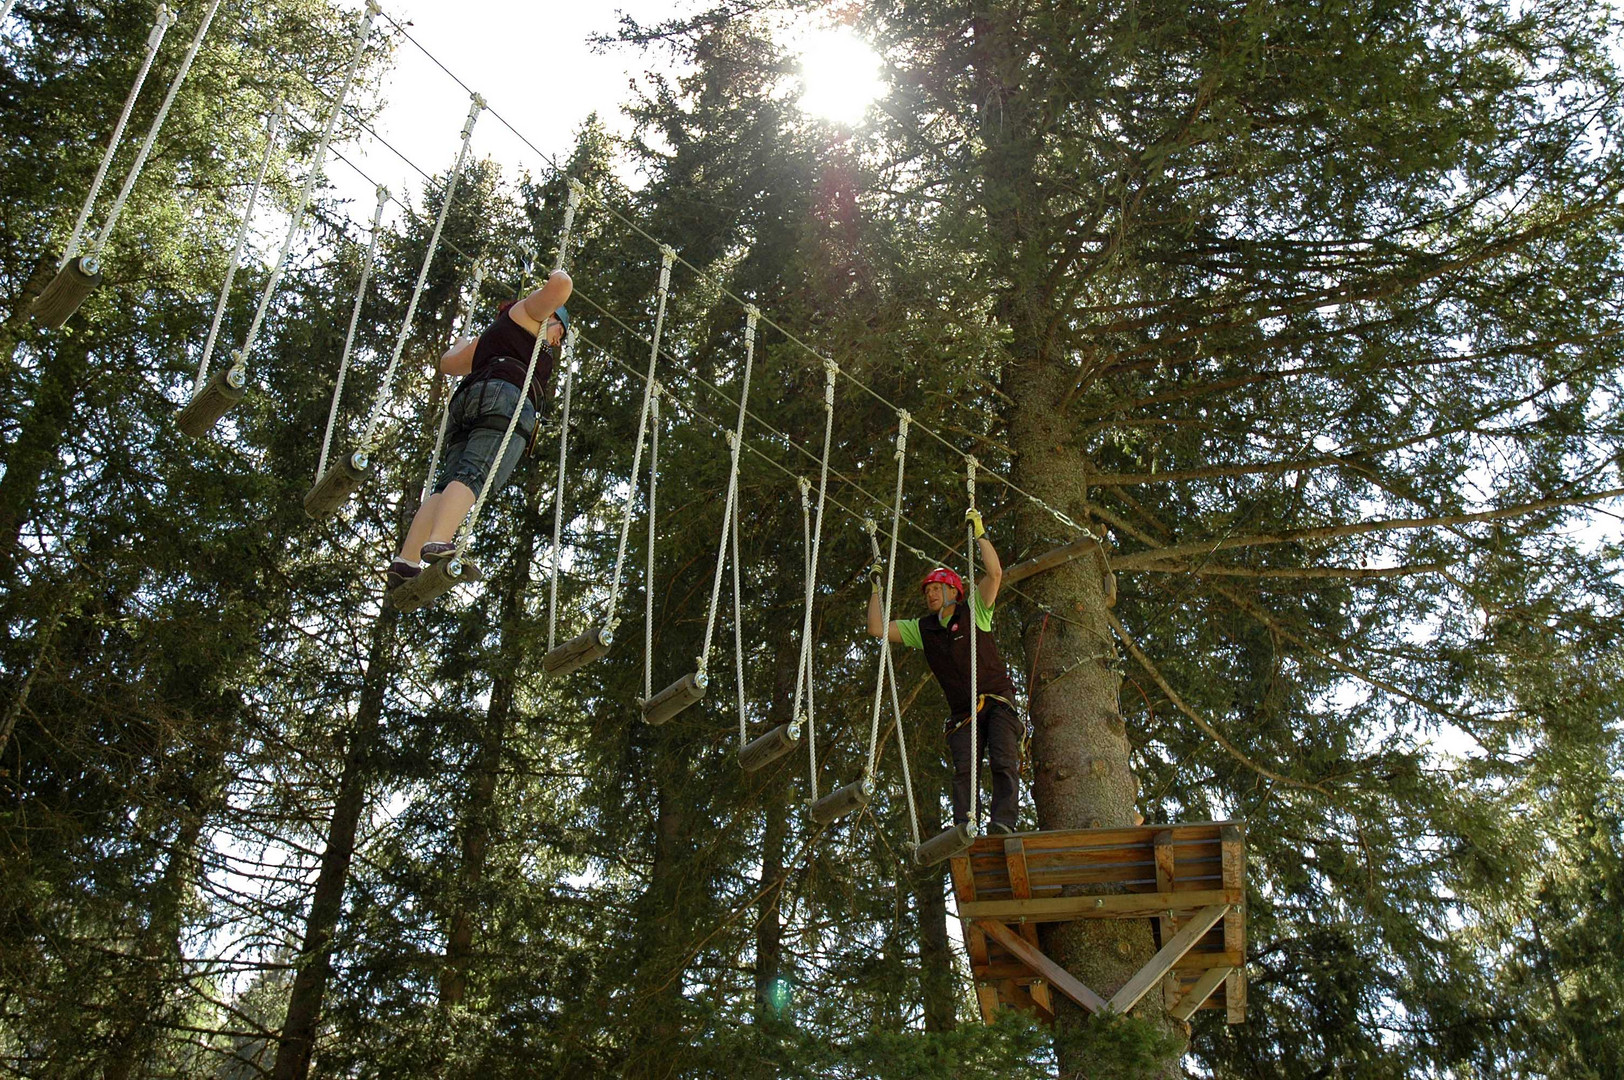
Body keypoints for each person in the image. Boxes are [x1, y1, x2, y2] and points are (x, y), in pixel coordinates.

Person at [387, 268, 573, 591]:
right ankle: (439, 541)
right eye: (561, 333)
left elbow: (448, 364)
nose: (558, 342)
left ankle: (406, 561)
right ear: (552, 317)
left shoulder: (492, 336)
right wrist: (558, 277)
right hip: (503, 400)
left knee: (447, 487)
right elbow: (561, 286)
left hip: (469, 402)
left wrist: (461, 344)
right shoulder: (531, 315)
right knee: (475, 474)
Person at [867, 510, 1023, 834]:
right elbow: (877, 628)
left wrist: (980, 534)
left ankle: (1003, 823)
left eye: (937, 588)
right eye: (927, 592)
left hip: (996, 702)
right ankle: (965, 828)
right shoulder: (923, 630)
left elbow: (994, 574)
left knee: (1003, 761)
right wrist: (875, 590)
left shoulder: (975, 610)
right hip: (964, 712)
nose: (931, 594)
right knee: (965, 771)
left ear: (954, 591)